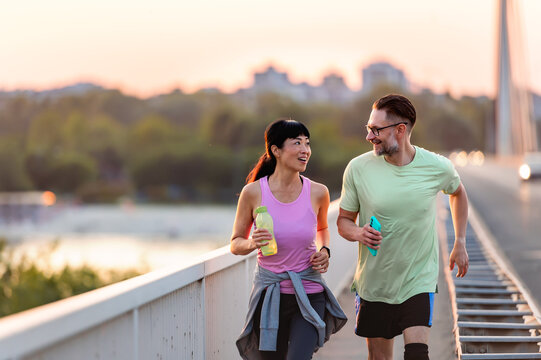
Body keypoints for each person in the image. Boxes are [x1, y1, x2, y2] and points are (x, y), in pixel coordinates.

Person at [337, 94, 469, 360]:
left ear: (400, 130)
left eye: (376, 130)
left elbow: (457, 192)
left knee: (417, 354)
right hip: (375, 283)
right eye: (368, 128)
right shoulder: (358, 169)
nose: (369, 136)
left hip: (418, 280)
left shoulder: (436, 167)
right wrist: (358, 233)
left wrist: (460, 241)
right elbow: (343, 221)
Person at [232, 119, 347, 360]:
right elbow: (235, 243)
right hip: (269, 296)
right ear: (275, 150)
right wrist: (253, 243)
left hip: (309, 292)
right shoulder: (253, 193)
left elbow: (323, 228)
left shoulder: (318, 192)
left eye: (307, 143)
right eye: (297, 143)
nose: (305, 150)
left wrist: (325, 249)